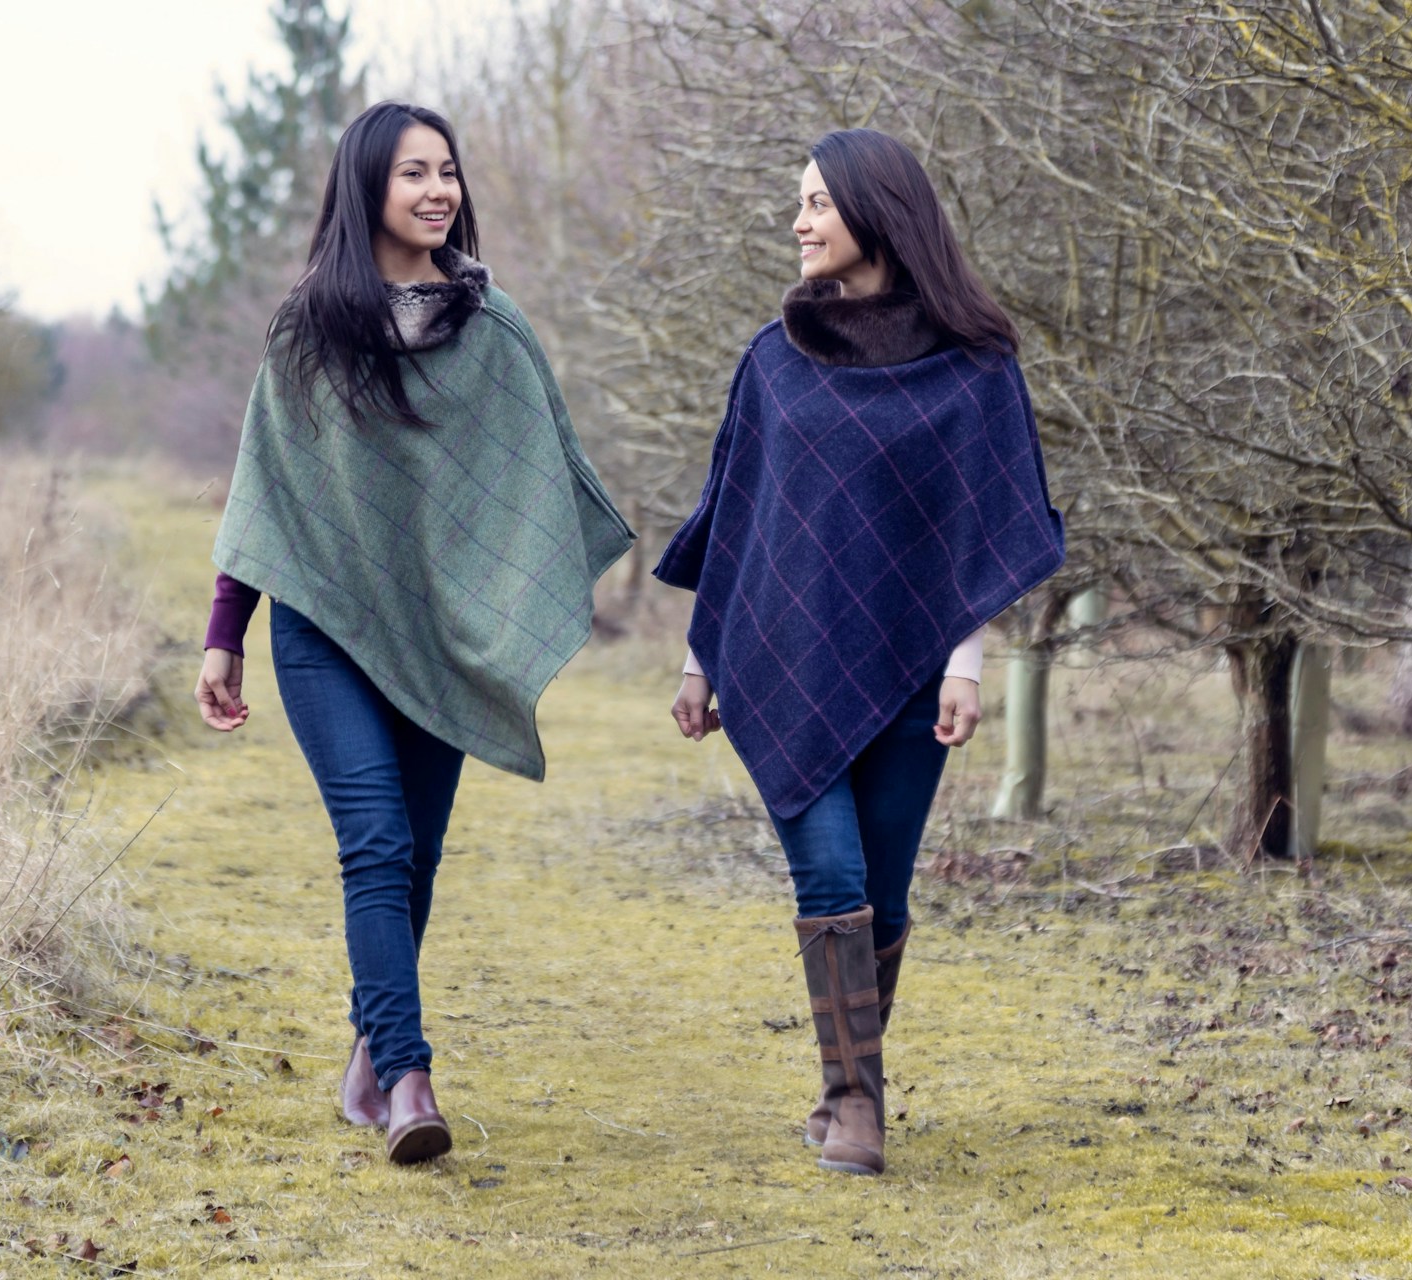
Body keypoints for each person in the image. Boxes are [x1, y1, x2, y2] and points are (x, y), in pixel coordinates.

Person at [195, 101, 634, 1165]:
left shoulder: (494, 325)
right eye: (413, 175)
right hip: (324, 627)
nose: (438, 190)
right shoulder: (312, 327)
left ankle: (369, 1051)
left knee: (418, 853)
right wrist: (225, 631)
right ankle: (409, 1075)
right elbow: (271, 488)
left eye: (448, 171)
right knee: (377, 844)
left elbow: (532, 478)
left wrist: (510, 585)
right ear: (368, 190)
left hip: (440, 634)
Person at [654, 128, 1064, 1177]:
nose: (799, 221)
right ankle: (855, 1102)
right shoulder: (772, 362)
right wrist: (702, 657)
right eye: (797, 202)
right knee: (829, 869)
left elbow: (980, 535)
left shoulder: (973, 370)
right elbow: (737, 522)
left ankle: (847, 1090)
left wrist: (967, 664)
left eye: (819, 203)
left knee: (882, 890)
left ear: (877, 213)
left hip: (916, 669)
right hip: (778, 662)